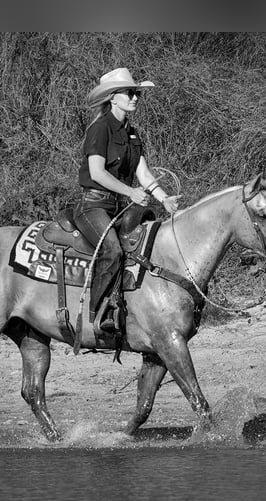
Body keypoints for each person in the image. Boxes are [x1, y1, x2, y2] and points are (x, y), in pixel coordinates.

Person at [74, 68, 180, 333]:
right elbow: (97, 173)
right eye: (130, 93)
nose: (135, 98)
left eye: (137, 93)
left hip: (119, 208)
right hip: (94, 206)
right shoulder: (100, 129)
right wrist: (129, 192)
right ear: (113, 97)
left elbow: (143, 174)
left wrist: (164, 198)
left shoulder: (131, 133)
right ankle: (98, 315)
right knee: (113, 250)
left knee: (146, 249)